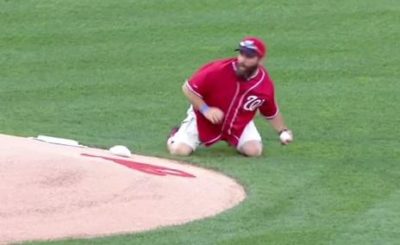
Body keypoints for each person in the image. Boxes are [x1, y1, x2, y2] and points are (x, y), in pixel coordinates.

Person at [167, 37, 293, 157]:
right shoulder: (218, 70)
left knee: (254, 151)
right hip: (203, 119)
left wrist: (283, 131)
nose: (242, 59)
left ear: (260, 60)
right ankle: (175, 135)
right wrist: (205, 109)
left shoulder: (264, 84)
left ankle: (232, 138)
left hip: (238, 123)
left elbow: (270, 111)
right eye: (241, 53)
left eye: (249, 56)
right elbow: (188, 89)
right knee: (180, 150)